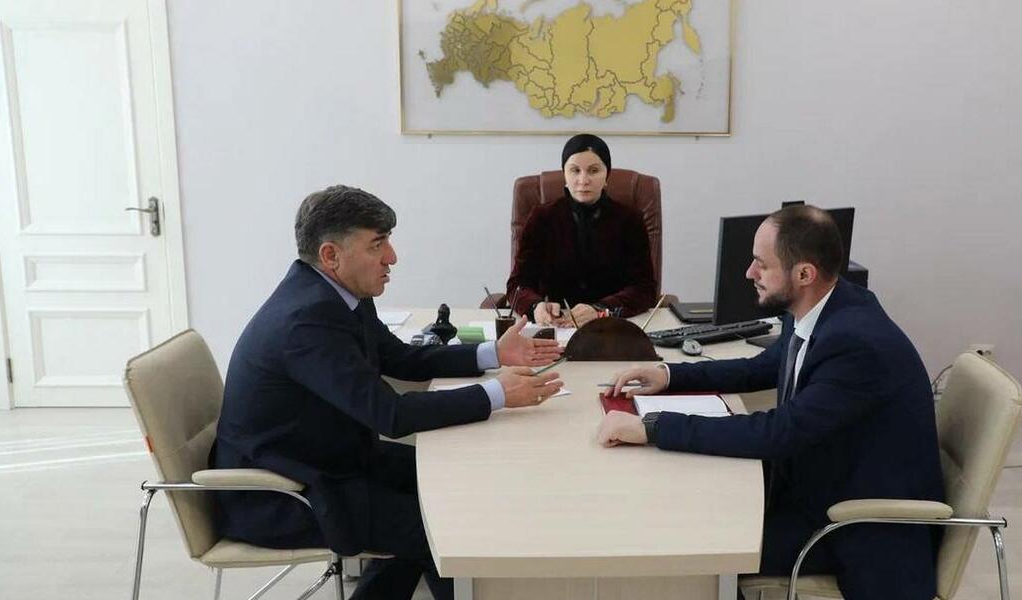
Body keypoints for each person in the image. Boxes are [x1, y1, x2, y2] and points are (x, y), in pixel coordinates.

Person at [210, 185, 564, 600]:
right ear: (330, 255)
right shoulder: (306, 321)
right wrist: (496, 394)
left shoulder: (339, 294)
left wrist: (492, 353)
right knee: (445, 526)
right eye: (377, 244)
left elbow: (401, 358)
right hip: (284, 492)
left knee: (453, 485)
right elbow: (390, 415)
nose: (392, 257)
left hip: (330, 459)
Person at [597, 205, 944, 600]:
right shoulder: (821, 307)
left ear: (804, 274)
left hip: (857, 531)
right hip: (814, 487)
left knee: (695, 544)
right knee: (687, 506)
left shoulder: (855, 343)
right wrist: (670, 375)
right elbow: (759, 368)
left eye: (761, 264)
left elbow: (779, 432)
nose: (749, 273)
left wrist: (653, 427)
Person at [505, 133, 657, 328]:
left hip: (612, 327)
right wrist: (535, 306)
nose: (583, 180)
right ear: (565, 175)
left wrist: (600, 309)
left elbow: (644, 289)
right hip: (557, 326)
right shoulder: (542, 218)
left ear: (606, 175)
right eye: (575, 170)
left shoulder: (629, 219)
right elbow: (517, 285)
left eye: (593, 171)